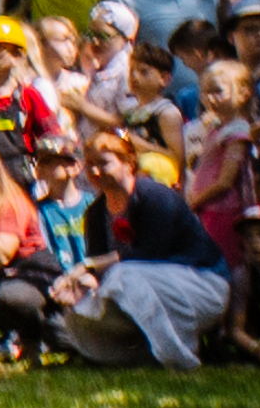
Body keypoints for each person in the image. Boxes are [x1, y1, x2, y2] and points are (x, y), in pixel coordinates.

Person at [47, 137, 239, 365]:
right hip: (143, 291)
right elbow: (98, 271)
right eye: (90, 165)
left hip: (203, 285)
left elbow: (149, 253)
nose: (96, 171)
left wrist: (88, 265)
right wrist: (78, 286)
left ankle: (179, 357)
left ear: (129, 163)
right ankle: (139, 357)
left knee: (124, 275)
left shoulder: (156, 196)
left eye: (104, 163)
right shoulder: (96, 213)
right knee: (78, 312)